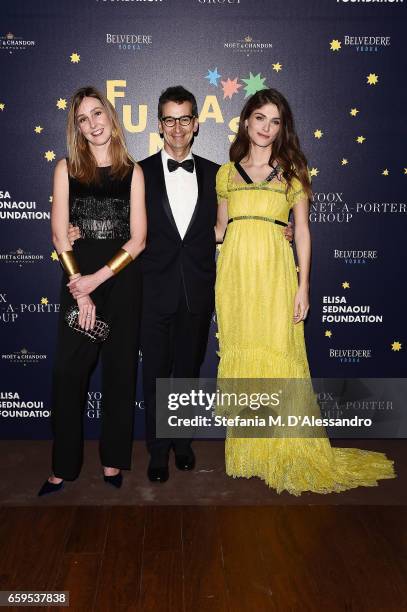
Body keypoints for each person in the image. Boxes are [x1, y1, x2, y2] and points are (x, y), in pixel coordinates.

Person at [214, 88, 395, 495]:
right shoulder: (226, 174)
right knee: (245, 358)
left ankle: (286, 449)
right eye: (260, 118)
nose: (266, 127)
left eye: (275, 121)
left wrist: (305, 285)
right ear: (246, 121)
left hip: (277, 277)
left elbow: (304, 232)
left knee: (280, 356)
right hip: (235, 280)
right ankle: (251, 454)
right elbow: (220, 231)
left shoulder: (293, 171)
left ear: (283, 129)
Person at [38, 86, 146, 496]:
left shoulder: (133, 172)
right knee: (68, 375)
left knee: (120, 372)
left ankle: (113, 461)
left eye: (97, 113)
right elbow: (58, 235)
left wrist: (96, 281)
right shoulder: (66, 168)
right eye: (83, 119)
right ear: (77, 128)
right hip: (76, 279)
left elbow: (138, 241)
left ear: (111, 116)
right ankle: (62, 467)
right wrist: (81, 292)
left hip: (119, 283)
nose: (92, 124)